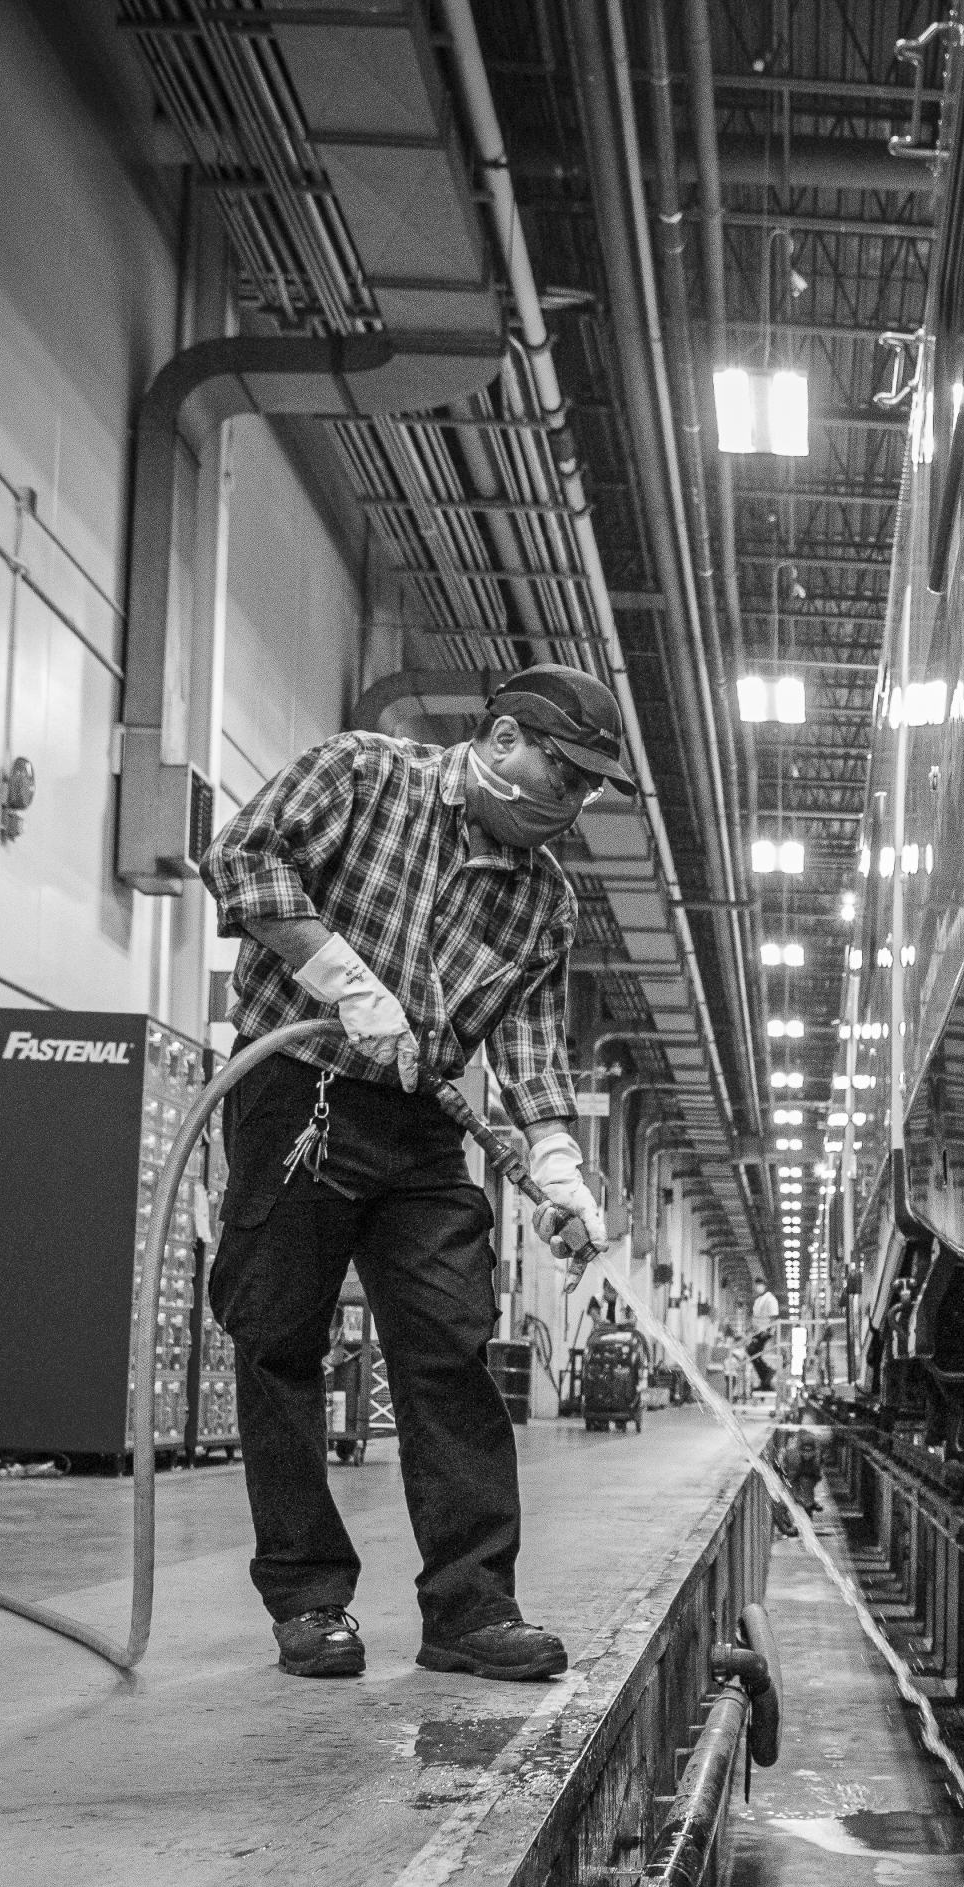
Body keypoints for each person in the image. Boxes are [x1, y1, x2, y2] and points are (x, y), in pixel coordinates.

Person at [200, 666, 626, 1680]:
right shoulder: (362, 774)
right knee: (278, 1342)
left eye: (587, 791)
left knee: (450, 1346)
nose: (568, 806)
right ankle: (308, 1601)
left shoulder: (544, 904)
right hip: (297, 1096)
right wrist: (343, 978)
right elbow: (241, 857)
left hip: (422, 1129)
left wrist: (561, 1164)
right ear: (505, 736)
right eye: (561, 775)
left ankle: (471, 1610)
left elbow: (526, 1047)